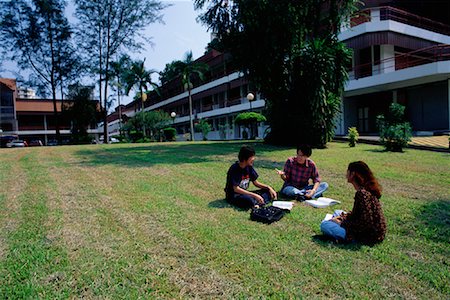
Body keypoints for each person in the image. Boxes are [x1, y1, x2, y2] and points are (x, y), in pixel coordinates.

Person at [320, 161, 387, 245]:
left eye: (348, 171)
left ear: (353, 174)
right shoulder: (366, 189)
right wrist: (342, 218)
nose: (346, 173)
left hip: (366, 236)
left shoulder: (362, 194)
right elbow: (359, 215)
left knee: (324, 225)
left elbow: (365, 223)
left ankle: (349, 238)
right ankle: (335, 222)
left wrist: (342, 222)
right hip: (372, 231)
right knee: (337, 212)